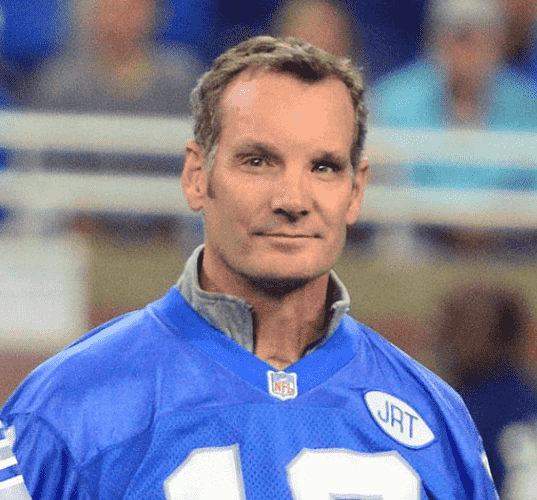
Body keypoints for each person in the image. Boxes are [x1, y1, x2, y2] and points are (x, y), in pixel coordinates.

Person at [0, 36, 498, 499]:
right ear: (197, 176)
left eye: (324, 167)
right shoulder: (61, 410)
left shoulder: (439, 419)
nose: (292, 200)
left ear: (356, 190)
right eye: (258, 161)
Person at [433, 283, 537, 498]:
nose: (443, 341)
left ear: (500, 339)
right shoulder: (527, 398)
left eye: (459, 329)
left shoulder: (466, 414)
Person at [369, 0, 537, 129]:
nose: (470, 52)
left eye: (483, 37)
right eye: (462, 37)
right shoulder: (389, 103)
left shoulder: (528, 105)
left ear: (498, 43)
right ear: (438, 40)